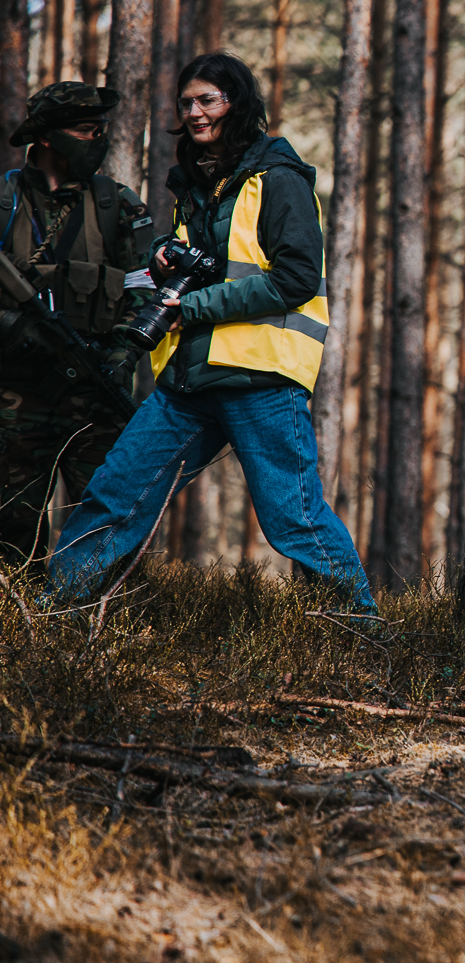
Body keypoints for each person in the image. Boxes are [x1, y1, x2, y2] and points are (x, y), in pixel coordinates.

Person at [48, 54, 373, 611]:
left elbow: (295, 278)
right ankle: (52, 617)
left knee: (293, 520)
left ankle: (365, 637)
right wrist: (165, 264)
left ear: (237, 104)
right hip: (190, 381)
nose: (194, 112)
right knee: (116, 495)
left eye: (209, 100)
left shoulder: (280, 178)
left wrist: (192, 304)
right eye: (187, 102)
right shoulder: (194, 185)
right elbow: (210, 267)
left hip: (262, 378)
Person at [0, 83, 155, 568]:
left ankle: (96, 629)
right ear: (46, 137)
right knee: (11, 525)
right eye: (87, 131)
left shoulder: (120, 207)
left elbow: (146, 289)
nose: (98, 140)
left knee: (105, 526)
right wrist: (13, 331)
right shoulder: (5, 203)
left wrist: (122, 353)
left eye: (102, 131)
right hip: (15, 401)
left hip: (96, 396)